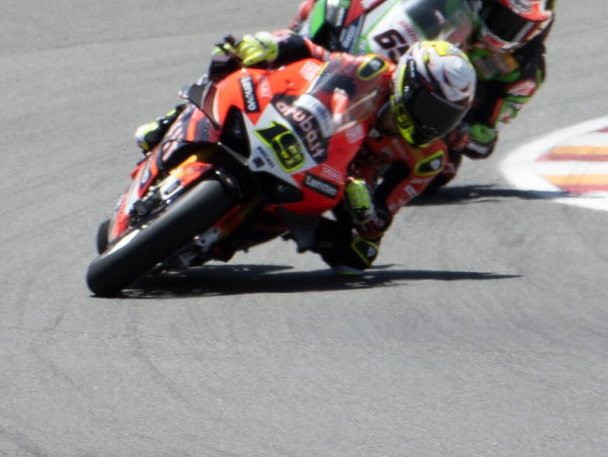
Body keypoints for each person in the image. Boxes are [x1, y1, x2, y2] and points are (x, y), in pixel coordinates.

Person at [143, 30, 477, 274]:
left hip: (343, 183)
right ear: (407, 85)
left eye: (444, 118)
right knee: (235, 58)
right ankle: (170, 122)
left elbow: (380, 222)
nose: (432, 125)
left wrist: (365, 211)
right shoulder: (373, 71)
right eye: (430, 109)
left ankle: (222, 238)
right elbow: (316, 54)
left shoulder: (428, 159)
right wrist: (272, 44)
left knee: (357, 257)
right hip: (309, 136)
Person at [294, 0, 556, 184]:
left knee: (443, 168)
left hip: (434, 114)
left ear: (538, 28)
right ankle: (288, 51)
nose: (498, 26)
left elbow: (485, 140)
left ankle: (367, 186)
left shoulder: (525, 72)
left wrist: (462, 133)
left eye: (515, 24)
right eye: (494, 10)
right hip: (392, 63)